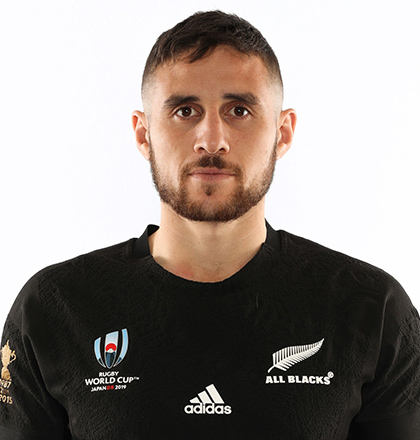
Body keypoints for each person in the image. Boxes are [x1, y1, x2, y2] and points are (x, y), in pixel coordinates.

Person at [0, 10, 419, 440]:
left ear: (283, 132)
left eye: (239, 110)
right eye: (185, 110)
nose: (212, 139)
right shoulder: (55, 307)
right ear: (144, 134)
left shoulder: (370, 309)